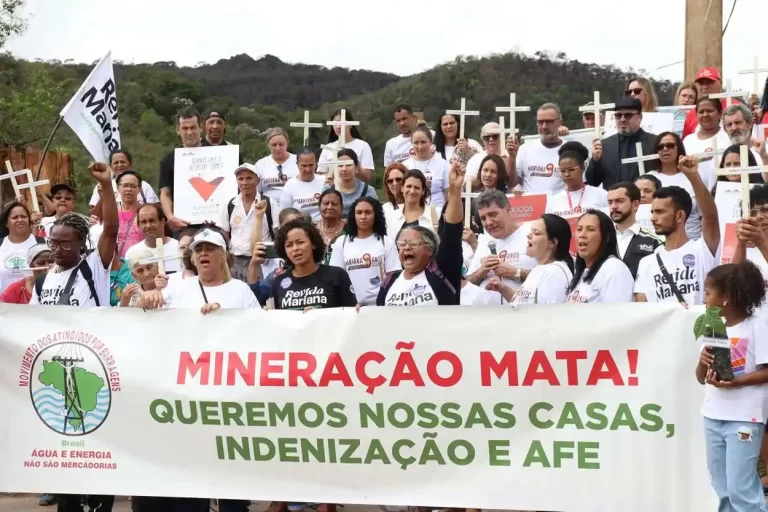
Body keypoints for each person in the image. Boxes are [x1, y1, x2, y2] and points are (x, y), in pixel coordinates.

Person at [29, 163, 117, 512]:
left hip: (93, 373)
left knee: (95, 451)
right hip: (56, 377)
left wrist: (107, 186)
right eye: (55, 242)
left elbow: (111, 228)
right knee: (67, 454)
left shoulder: (94, 267)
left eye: (67, 243)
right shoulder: (43, 280)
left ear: (83, 245)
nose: (59, 248)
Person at [696, 261, 768, 512]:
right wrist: (703, 361)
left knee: (741, 488)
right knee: (722, 487)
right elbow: (700, 378)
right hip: (713, 416)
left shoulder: (757, 324)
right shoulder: (713, 326)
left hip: (744, 419)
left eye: (707, 292)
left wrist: (736, 382)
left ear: (726, 297)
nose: (704, 298)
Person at [635, 156, 720, 306]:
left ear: (680, 216)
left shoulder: (701, 249)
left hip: (700, 328)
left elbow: (710, 217)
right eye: (652, 212)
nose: (653, 218)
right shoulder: (646, 263)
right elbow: (642, 310)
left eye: (660, 212)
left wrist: (693, 176)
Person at [377, 161, 464, 306]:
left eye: (414, 243)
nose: (407, 248)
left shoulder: (439, 280)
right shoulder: (389, 284)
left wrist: (455, 189)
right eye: (403, 243)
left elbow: (451, 234)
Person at [467, 189, 537, 303]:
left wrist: (517, 273)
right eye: (483, 218)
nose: (488, 222)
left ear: (508, 210)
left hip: (522, 313)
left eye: (493, 214)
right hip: (486, 316)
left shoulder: (532, 234)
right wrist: (481, 271)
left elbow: (548, 278)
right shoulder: (484, 240)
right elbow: (467, 283)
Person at [486, 214, 574, 305]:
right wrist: (502, 289)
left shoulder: (554, 272)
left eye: (536, 233)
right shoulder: (540, 269)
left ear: (553, 243)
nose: (528, 235)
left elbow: (547, 314)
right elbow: (524, 303)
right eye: (531, 231)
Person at [271, 219, 356, 310]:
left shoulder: (337, 275)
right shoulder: (278, 282)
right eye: (289, 245)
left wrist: (319, 316)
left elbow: (350, 316)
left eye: (300, 242)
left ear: (313, 244)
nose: (295, 248)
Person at [330, 197, 400, 305]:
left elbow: (393, 277)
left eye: (368, 212)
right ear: (353, 216)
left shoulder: (386, 242)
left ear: (375, 215)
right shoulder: (341, 243)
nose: (363, 217)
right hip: (351, 308)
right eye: (359, 212)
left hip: (380, 306)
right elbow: (335, 277)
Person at [220, 163, 280, 281]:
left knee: (258, 295)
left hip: (262, 261)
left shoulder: (269, 202)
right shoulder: (229, 204)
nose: (244, 182)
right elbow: (224, 233)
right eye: (240, 179)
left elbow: (277, 232)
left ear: (257, 180)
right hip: (235, 260)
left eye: (249, 178)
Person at [586, 97, 657, 189]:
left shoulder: (655, 143)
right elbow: (593, 182)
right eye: (618, 115)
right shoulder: (604, 145)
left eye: (628, 115)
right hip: (614, 201)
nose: (622, 119)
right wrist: (596, 161)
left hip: (645, 201)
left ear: (640, 117)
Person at [566, 210, 634, 303]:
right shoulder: (581, 272)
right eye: (579, 229)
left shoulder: (613, 269)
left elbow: (618, 314)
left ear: (606, 237)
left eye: (590, 229)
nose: (582, 235)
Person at [647, 132, 704, 240]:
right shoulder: (648, 178)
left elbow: (704, 214)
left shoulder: (692, 175)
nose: (665, 149)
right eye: (660, 147)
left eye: (670, 145)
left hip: (692, 240)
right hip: (657, 240)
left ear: (679, 148)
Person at [159, 107, 204, 232]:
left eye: (193, 127)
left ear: (200, 127)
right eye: (185, 128)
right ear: (178, 130)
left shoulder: (218, 153)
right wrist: (170, 216)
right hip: (183, 225)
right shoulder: (168, 159)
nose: (189, 132)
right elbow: (165, 193)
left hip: (215, 223)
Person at [506, 103, 566, 194]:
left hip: (560, 206)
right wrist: (512, 157)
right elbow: (511, 184)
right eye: (540, 122)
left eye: (549, 122)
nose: (544, 126)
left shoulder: (570, 150)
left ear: (560, 123)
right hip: (532, 206)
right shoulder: (525, 149)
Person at [607, 182, 661, 279]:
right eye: (610, 202)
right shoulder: (601, 241)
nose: (613, 206)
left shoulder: (654, 243)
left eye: (619, 201)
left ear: (635, 204)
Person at [89, 149, 159, 218]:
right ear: (111, 167)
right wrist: (103, 197)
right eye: (116, 163)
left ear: (130, 165)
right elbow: (93, 215)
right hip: (110, 228)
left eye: (123, 162)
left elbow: (157, 212)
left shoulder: (144, 186)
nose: (119, 165)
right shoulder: (102, 186)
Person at [546, 141, 607, 217]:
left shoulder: (601, 195)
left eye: (571, 169)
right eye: (562, 171)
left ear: (582, 168)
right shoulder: (553, 201)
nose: (567, 174)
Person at [682, 97, 729, 190]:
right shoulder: (688, 140)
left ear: (720, 114)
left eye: (710, 111)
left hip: (722, 191)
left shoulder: (728, 138)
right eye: (701, 112)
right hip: (693, 192)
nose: (705, 114)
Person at [682, 67, 741, 139]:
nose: (705, 87)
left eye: (709, 82)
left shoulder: (737, 107)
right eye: (701, 83)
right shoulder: (692, 114)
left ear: (720, 83)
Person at [318, 108, 375, 182]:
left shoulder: (362, 146)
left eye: (341, 123)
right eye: (335, 123)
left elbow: (367, 176)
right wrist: (329, 176)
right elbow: (320, 175)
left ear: (350, 124)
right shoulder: (327, 148)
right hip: (333, 190)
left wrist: (354, 165)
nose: (338, 126)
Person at [0, 201, 45, 293]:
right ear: (6, 223)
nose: (20, 220)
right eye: (15, 217)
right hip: (4, 304)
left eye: (23, 216)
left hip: (35, 303)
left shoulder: (43, 243)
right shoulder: (1, 245)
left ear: (29, 220)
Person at [402, 126, 451, 209]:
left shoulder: (444, 165)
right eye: (416, 143)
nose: (420, 147)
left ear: (431, 142)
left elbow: (449, 195)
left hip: (437, 213)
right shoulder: (405, 166)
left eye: (423, 142)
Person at [124, 204, 181, 274]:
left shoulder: (179, 247)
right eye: (143, 222)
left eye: (152, 221)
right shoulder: (132, 253)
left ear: (162, 221)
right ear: (138, 225)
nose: (148, 226)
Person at [322, 149, 378, 219]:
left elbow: (376, 216)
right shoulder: (328, 189)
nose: (344, 169)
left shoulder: (368, 191)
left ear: (357, 167)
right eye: (340, 165)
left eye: (348, 165)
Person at [731, 184, 768, 288]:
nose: (759, 216)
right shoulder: (745, 250)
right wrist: (741, 244)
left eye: (765, 209)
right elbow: (732, 286)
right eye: (753, 212)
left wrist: (762, 243)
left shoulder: (761, 244)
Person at [385, 169, 438, 240]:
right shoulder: (391, 215)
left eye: (417, 187)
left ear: (423, 191)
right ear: (402, 188)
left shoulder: (436, 214)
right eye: (409, 186)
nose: (412, 191)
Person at [722, 104, 768, 181]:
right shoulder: (721, 153)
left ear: (749, 124)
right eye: (729, 124)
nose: (734, 128)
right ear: (725, 129)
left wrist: (764, 156)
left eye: (738, 122)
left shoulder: (764, 150)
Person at [256, 127, 299, 203]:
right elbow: (256, 191)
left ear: (287, 143)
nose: (278, 148)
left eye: (281, 144)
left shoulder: (298, 161)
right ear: (268, 145)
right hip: (269, 207)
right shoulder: (261, 164)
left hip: (294, 206)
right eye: (274, 145)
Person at [280, 148, 325, 222]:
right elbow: (284, 213)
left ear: (316, 163)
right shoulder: (290, 185)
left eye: (311, 165)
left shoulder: (324, 181)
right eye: (304, 166)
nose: (308, 169)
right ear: (297, 165)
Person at [115, 171, 145, 258]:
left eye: (133, 186)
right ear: (118, 187)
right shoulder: (112, 214)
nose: (129, 189)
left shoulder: (146, 212)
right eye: (125, 185)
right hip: (117, 266)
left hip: (141, 263)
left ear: (139, 189)